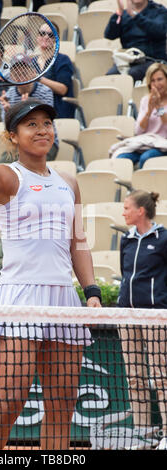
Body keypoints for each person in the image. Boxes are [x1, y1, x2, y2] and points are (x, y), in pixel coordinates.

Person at [0, 93, 102, 450]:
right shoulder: (4, 176)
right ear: (13, 136)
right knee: (12, 398)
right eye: (31, 124)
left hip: (64, 300)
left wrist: (91, 291)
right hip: (19, 297)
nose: (42, 130)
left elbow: (79, 243)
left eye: (47, 123)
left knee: (62, 404)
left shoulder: (69, 182)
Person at [119, 190, 167, 450]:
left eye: (127, 208)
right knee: (134, 377)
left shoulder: (163, 239)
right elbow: (125, 275)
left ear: (141, 211)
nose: (123, 212)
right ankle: (142, 434)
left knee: (160, 376)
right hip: (126, 315)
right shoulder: (125, 240)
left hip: (155, 315)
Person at [0, 53, 59, 160]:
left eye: (24, 72)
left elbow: (45, 122)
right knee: (3, 164)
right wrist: (9, 112)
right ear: (11, 76)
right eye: (16, 74)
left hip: (44, 140)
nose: (21, 77)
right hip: (19, 144)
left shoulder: (45, 91)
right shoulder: (9, 95)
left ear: (33, 73)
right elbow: (9, 131)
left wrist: (26, 108)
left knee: (25, 166)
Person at [115, 63, 167, 168]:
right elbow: (138, 131)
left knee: (146, 158)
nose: (156, 84)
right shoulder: (145, 100)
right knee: (121, 157)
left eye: (160, 79)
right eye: (153, 80)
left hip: (162, 145)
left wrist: (159, 107)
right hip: (145, 143)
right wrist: (149, 111)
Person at [104, 0, 167, 82]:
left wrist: (135, 16)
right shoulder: (125, 14)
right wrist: (119, 13)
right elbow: (109, 35)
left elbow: (159, 31)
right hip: (129, 59)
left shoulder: (158, 10)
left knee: (132, 74)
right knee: (111, 76)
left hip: (151, 59)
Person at [36, 22, 75, 118]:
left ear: (56, 40)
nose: (45, 37)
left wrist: (38, 79)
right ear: (37, 37)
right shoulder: (31, 61)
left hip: (55, 112)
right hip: (34, 110)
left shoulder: (62, 60)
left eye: (50, 35)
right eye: (42, 33)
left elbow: (62, 89)